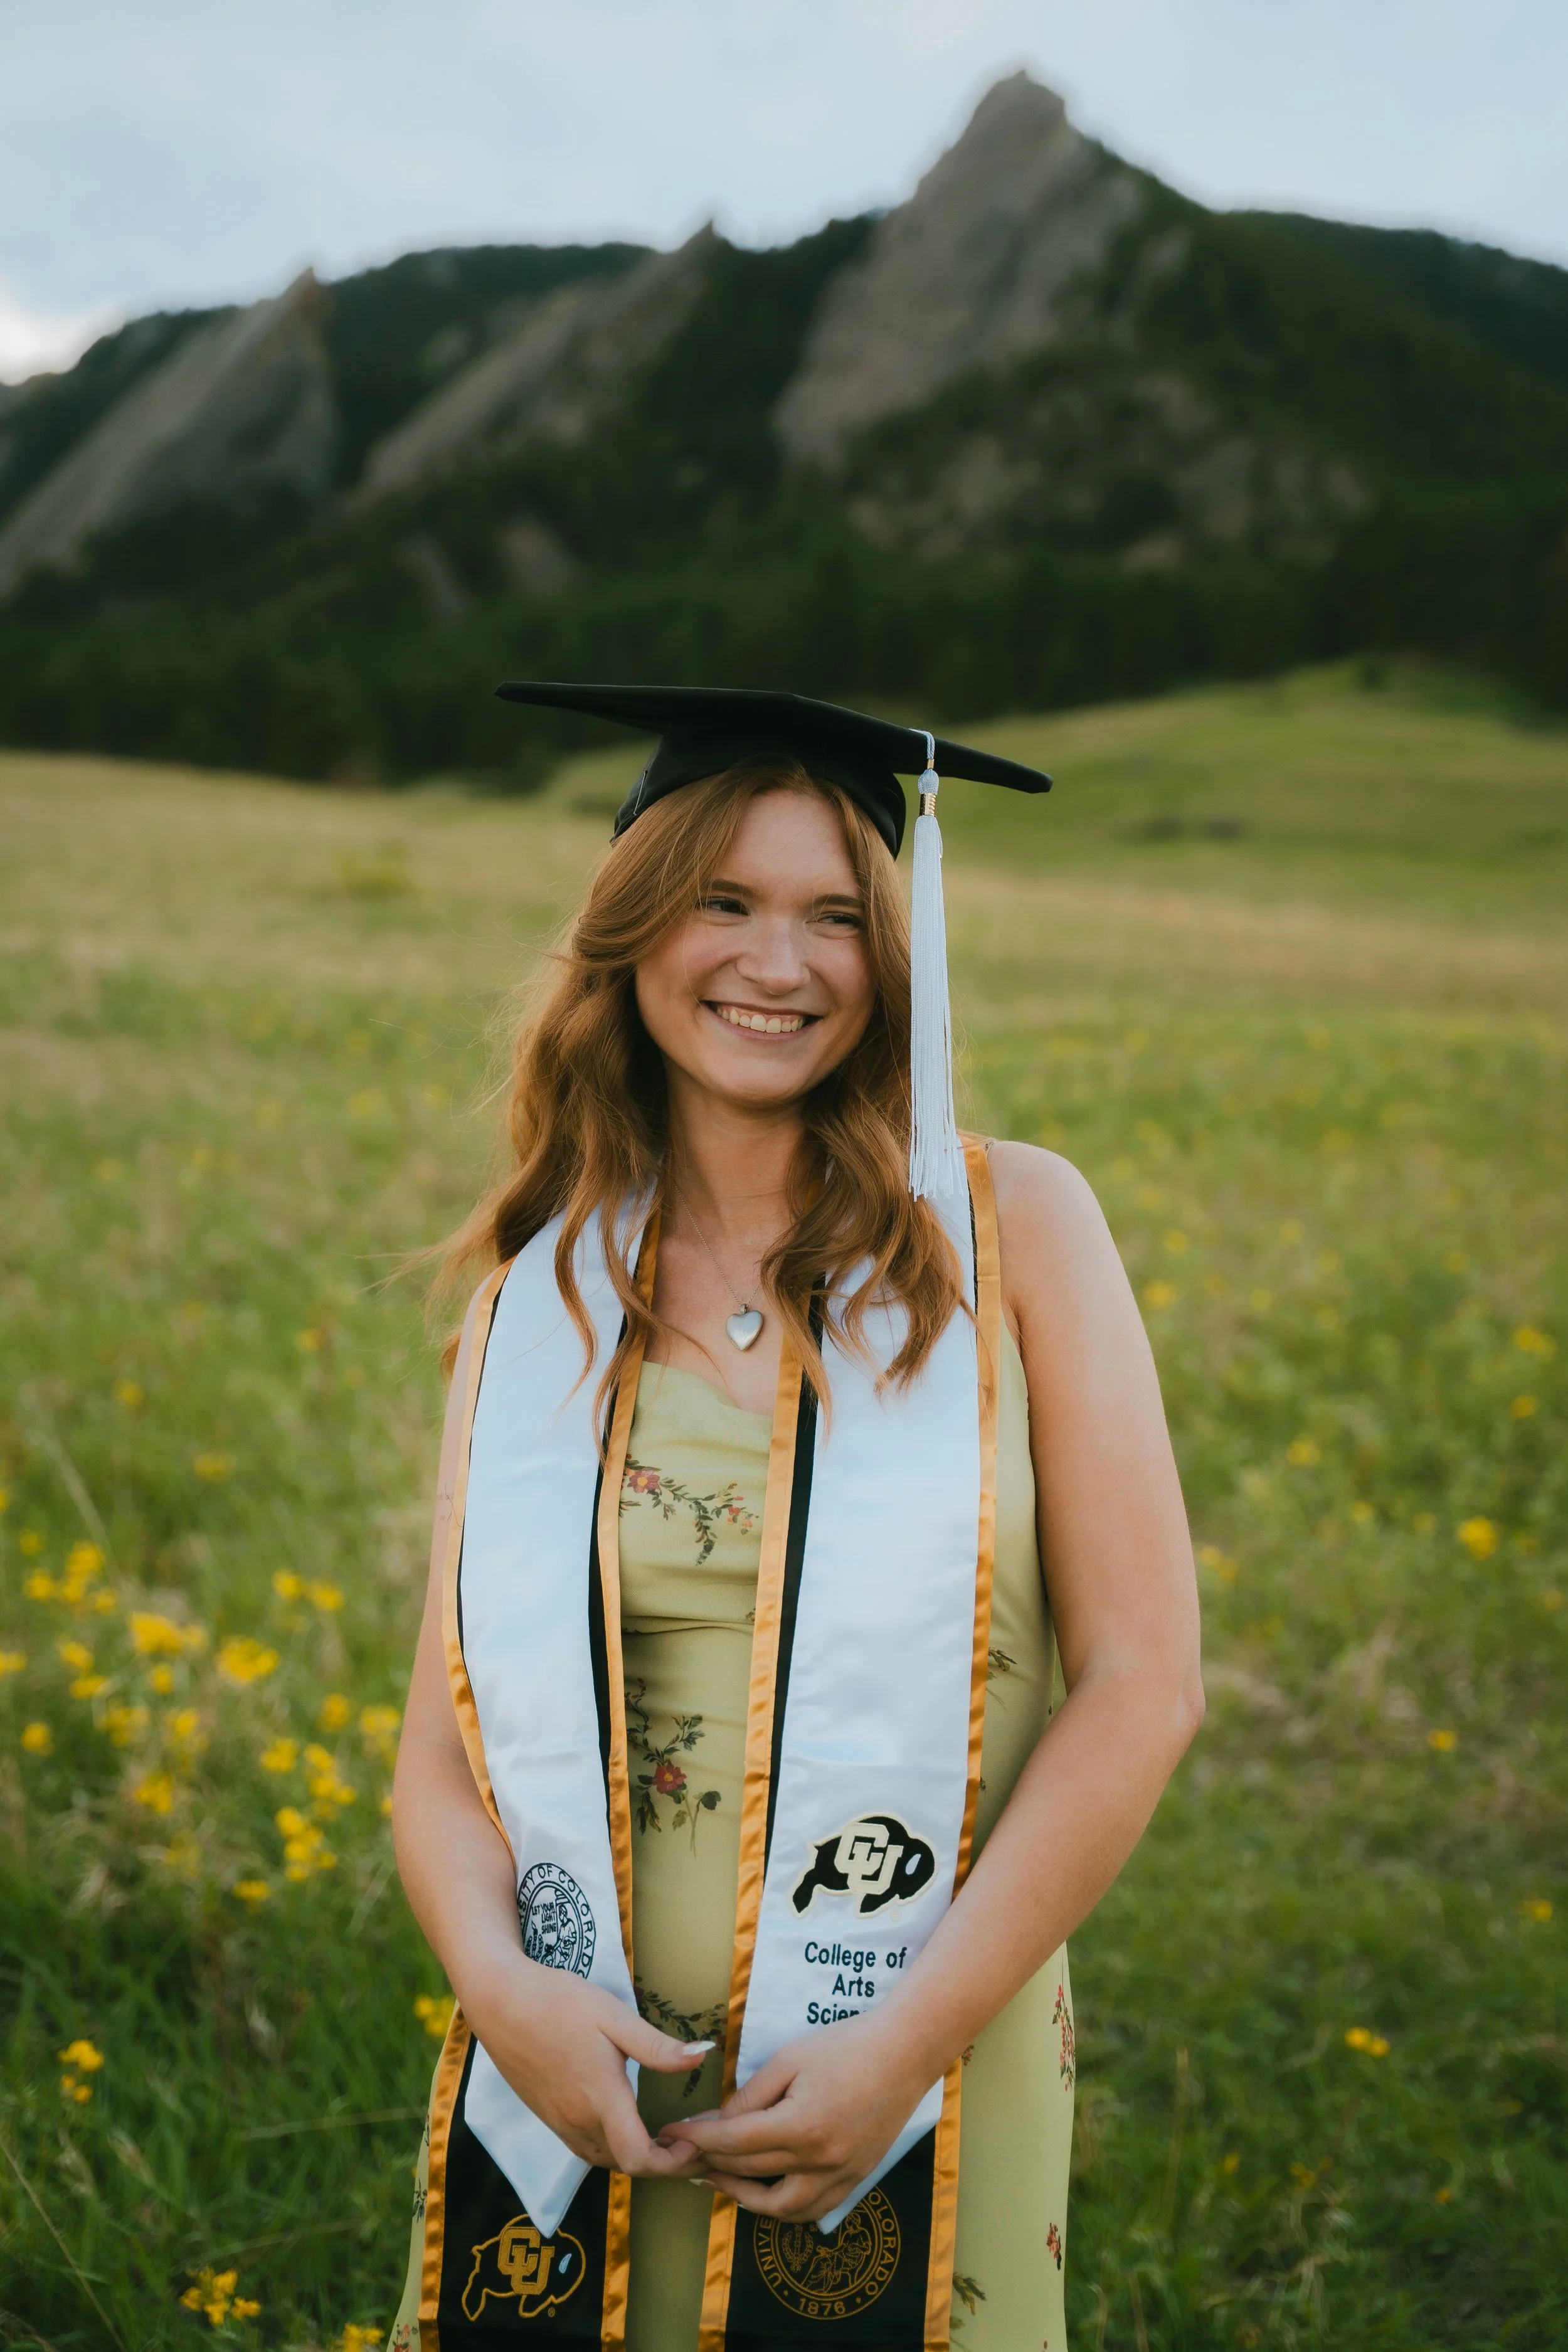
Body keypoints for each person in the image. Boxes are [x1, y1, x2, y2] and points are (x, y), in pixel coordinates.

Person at [386, 688, 1204, 2351]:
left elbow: (1142, 1681)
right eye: (726, 900)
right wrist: (502, 1991)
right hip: (573, 2057)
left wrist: (901, 2046)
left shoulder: (1010, 1232)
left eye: (838, 912)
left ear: (894, 953)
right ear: (632, 927)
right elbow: (438, 1759)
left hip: (904, 2050)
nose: (781, 960)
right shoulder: (538, 1293)